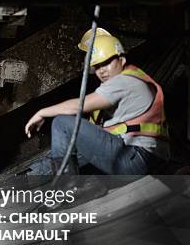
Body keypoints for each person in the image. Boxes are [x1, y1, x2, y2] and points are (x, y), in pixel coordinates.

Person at [23, 29, 169, 175]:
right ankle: (28, 178)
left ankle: (66, 187)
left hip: (136, 158)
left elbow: (79, 106)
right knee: (76, 162)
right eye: (97, 66)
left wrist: (42, 112)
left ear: (122, 60)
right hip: (145, 157)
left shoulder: (123, 82)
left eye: (106, 63)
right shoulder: (134, 77)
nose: (102, 71)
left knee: (62, 123)